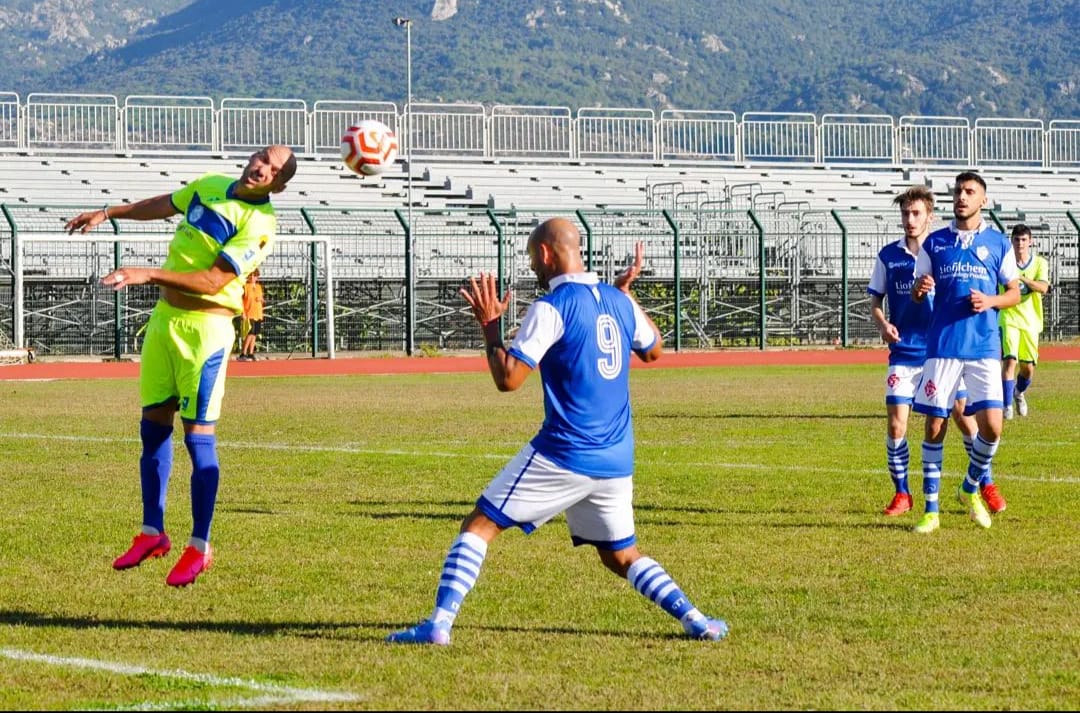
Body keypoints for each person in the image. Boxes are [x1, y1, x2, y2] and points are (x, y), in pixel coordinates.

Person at [386, 217, 728, 645]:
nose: (533, 267)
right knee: (621, 555)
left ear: (546, 253)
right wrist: (626, 294)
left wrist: (490, 327)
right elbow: (654, 349)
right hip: (615, 459)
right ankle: (697, 620)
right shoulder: (618, 301)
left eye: (533, 258)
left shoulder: (551, 307)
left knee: (478, 526)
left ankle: (438, 625)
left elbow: (508, 379)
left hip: (565, 452)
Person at [64, 144, 297, 585]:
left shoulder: (260, 224)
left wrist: (148, 272)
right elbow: (165, 204)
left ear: (279, 186)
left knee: (197, 438)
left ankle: (199, 546)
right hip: (164, 323)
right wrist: (108, 213)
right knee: (152, 428)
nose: (263, 168)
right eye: (262, 158)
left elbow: (212, 280)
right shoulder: (210, 186)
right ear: (251, 157)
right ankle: (152, 532)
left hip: (205, 334)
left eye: (274, 170)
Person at [867, 186, 1005, 517]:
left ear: (930, 216)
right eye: (905, 213)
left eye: (916, 213)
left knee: (965, 420)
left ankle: (984, 483)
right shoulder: (888, 256)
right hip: (905, 352)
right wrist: (883, 324)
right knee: (897, 425)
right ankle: (903, 493)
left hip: (944, 349)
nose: (910, 219)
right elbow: (875, 301)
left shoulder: (944, 249)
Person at [910, 171, 1020, 534]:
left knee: (993, 427)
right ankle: (931, 511)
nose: (962, 196)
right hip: (943, 345)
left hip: (984, 346)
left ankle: (970, 488)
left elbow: (1014, 293)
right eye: (958, 191)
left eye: (970, 191)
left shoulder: (998, 243)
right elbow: (916, 291)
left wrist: (990, 300)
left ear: (983, 200)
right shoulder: (935, 242)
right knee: (935, 425)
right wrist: (920, 288)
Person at [1000, 224, 1050, 420]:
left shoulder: (1039, 263)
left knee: (1027, 368)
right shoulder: (1004, 262)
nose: (1020, 243)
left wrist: (1022, 279)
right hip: (1008, 317)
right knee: (1009, 360)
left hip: (1030, 320)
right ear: (1011, 241)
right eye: (1016, 239)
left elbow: (1043, 288)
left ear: (1030, 242)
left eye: (1023, 240)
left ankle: (1019, 393)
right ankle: (1006, 407)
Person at [238, 269, 265, 361]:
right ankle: (243, 353)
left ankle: (251, 353)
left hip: (258, 313)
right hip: (249, 313)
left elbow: (262, 299)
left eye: (255, 276)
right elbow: (241, 301)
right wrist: (243, 312)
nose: (253, 277)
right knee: (250, 333)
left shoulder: (258, 287)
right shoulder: (245, 287)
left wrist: (261, 299)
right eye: (251, 276)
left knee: (254, 334)